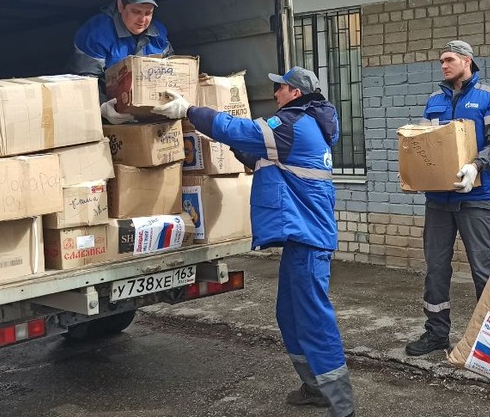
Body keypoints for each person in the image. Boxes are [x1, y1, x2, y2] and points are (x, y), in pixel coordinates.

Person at [152, 67, 355, 417]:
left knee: (312, 318)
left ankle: (342, 403)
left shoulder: (292, 124)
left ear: (295, 92)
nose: (275, 94)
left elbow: (240, 130)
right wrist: (227, 140)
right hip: (301, 239)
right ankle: (315, 387)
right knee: (289, 315)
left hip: (309, 240)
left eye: (280, 88)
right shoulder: (300, 127)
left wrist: (189, 110)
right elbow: (253, 152)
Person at [405, 40, 490, 357]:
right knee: (436, 269)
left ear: (467, 61)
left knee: (482, 269)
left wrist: (475, 165)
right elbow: (425, 146)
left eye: (449, 60)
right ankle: (437, 334)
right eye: (441, 61)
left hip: (476, 197)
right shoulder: (435, 100)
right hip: (438, 200)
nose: (444, 65)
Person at [69, 0, 172, 125]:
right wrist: (103, 108)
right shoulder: (96, 33)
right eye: (136, 11)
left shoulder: (159, 33)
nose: (142, 19)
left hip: (149, 112)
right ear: (120, 6)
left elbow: (172, 69)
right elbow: (84, 80)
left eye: (148, 13)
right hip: (107, 114)